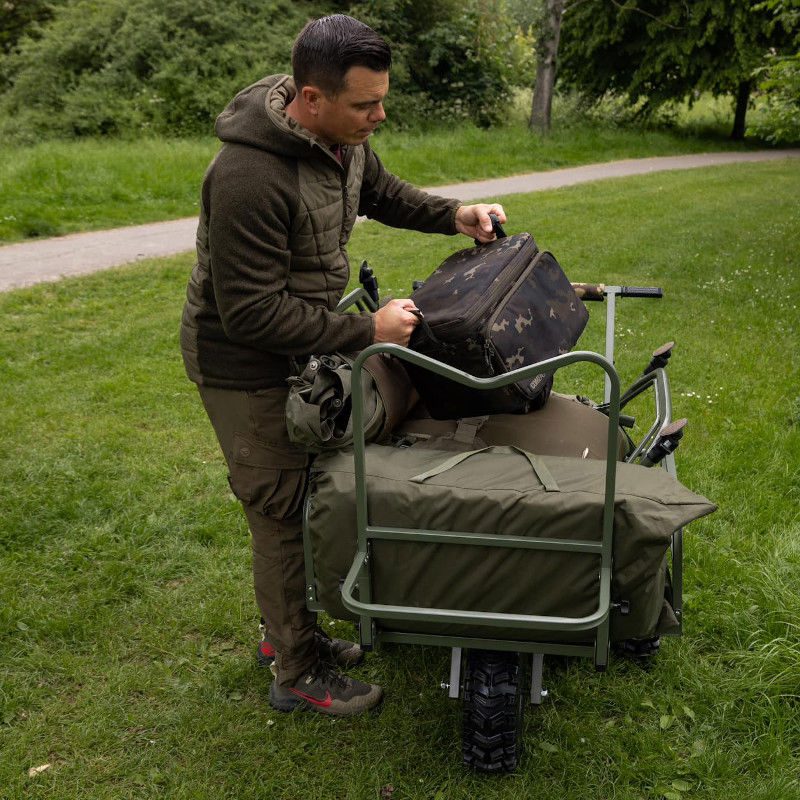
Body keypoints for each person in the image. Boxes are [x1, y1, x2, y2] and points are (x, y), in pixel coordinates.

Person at [180, 13, 506, 717]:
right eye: (366, 105)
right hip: (244, 365)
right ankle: (295, 669)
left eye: (382, 100)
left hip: (302, 345)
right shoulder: (247, 177)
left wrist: (455, 214)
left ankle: (291, 635)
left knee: (307, 495)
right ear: (311, 98)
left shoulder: (341, 142)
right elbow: (250, 314)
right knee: (279, 509)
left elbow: (382, 192)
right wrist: (367, 329)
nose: (379, 117)